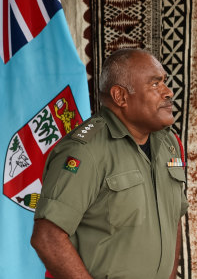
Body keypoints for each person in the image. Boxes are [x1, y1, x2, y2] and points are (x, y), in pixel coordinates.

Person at [31, 48, 188, 279]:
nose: (168, 92)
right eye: (155, 84)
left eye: (164, 82)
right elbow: (47, 238)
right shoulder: (86, 151)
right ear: (120, 97)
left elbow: (172, 217)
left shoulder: (168, 144)